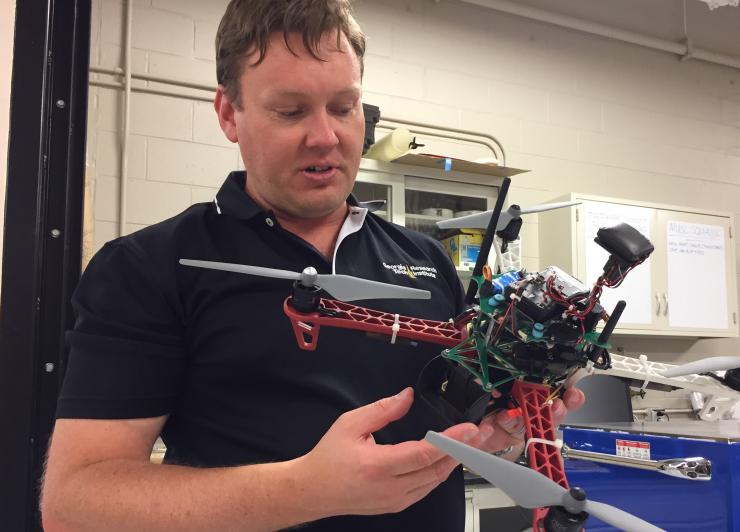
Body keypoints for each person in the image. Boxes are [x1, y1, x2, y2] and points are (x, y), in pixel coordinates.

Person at [41, 1, 585, 530]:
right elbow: (75, 504)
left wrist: (501, 436)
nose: (326, 136)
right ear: (229, 114)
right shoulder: (151, 267)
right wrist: (306, 491)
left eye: (344, 107)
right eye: (291, 110)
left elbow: (460, 433)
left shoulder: (426, 259)